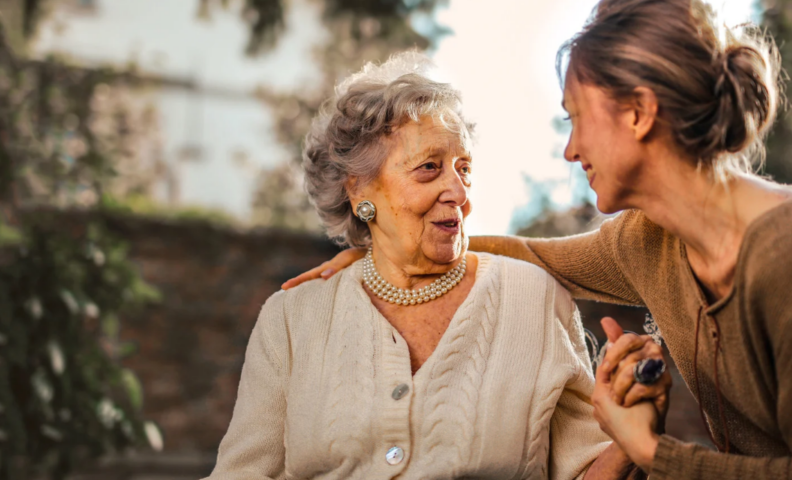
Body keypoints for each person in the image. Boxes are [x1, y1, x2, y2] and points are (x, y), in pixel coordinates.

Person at [281, 1, 792, 479]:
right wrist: (383, 244)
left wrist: (650, 451)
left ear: (639, 112)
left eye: (576, 117)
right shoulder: (650, 239)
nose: (570, 149)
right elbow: (530, 254)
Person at [205, 52, 650, 480]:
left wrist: (632, 439)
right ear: (359, 190)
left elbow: (583, 470)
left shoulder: (535, 299)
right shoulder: (291, 318)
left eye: (464, 168)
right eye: (429, 168)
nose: (458, 191)